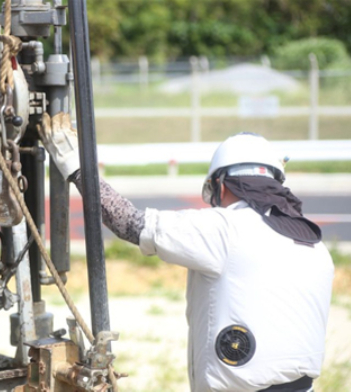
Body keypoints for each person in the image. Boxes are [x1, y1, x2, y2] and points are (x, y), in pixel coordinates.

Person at [38, 112, 334, 392]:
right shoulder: (315, 246)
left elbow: (128, 222)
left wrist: (74, 163)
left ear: (221, 184)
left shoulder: (225, 229)